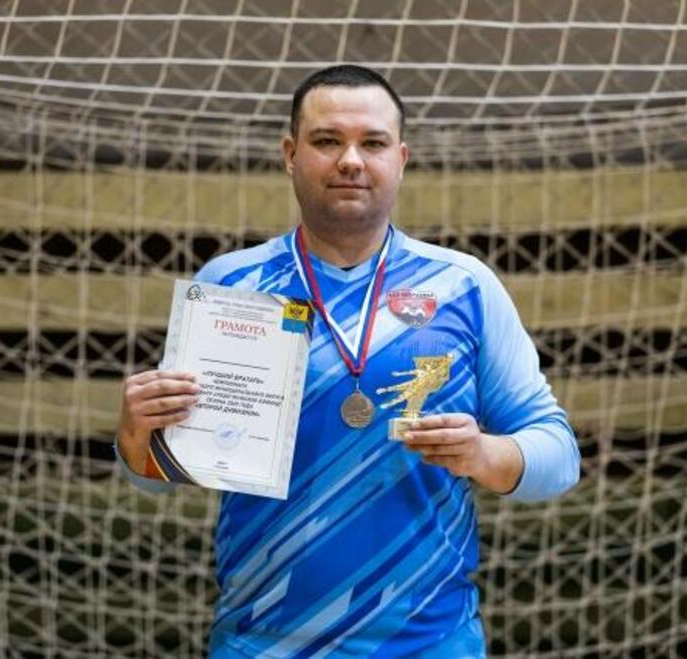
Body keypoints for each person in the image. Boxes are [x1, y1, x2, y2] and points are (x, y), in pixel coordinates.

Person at [115, 64, 580, 658]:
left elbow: (560, 456)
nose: (351, 161)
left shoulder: (464, 286)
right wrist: (136, 434)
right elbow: (155, 476)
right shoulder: (230, 286)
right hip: (260, 645)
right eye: (327, 140)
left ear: (401, 159)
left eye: (373, 143)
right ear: (290, 154)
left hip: (431, 644)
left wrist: (483, 455)